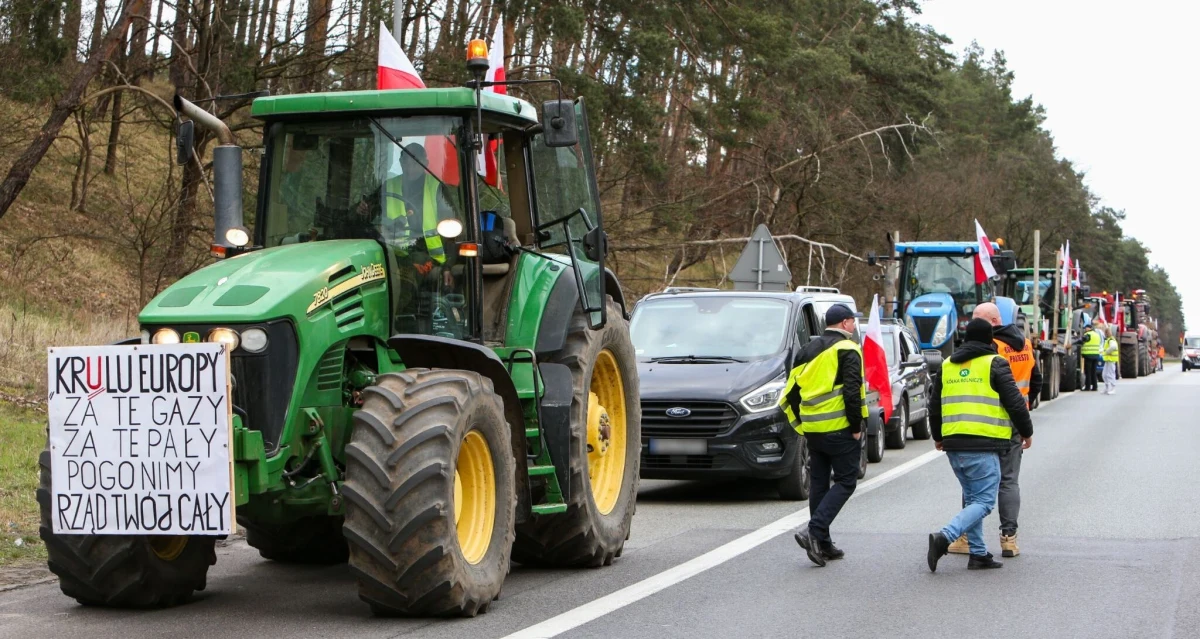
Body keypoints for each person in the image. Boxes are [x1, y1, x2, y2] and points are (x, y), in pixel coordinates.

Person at [927, 318, 1034, 572]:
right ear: (990, 340)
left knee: (973, 498)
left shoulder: (947, 365)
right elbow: (1015, 402)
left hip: (954, 444)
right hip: (984, 444)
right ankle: (945, 536)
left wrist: (938, 436)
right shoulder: (995, 363)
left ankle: (978, 554)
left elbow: (934, 405)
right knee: (985, 502)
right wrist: (1026, 432)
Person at [781, 303, 868, 567]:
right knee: (846, 482)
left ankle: (823, 544)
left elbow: (792, 393)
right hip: (841, 430)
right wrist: (856, 427)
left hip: (814, 432)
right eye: (853, 322)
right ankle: (814, 530)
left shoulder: (806, 351)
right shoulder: (848, 349)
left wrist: (804, 424)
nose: (854, 326)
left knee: (819, 484)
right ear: (844, 323)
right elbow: (853, 392)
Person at [1078, 320, 1104, 391]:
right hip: (1096, 355)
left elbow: (1081, 341)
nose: (1085, 329)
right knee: (1093, 372)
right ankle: (1095, 387)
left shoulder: (1088, 334)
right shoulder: (1097, 335)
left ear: (1088, 328)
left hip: (1088, 356)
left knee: (1088, 372)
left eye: (1085, 328)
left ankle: (1088, 387)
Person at [1102, 327, 1120, 394]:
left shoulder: (1111, 340)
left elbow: (1113, 347)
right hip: (1108, 360)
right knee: (1105, 374)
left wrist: (1106, 352)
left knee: (1110, 374)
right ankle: (1107, 388)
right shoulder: (1108, 340)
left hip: (1111, 359)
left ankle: (1113, 388)